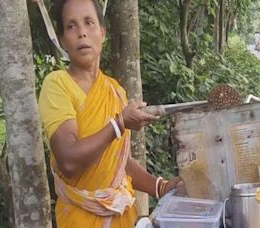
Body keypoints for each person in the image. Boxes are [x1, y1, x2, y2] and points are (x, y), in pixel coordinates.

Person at [37, 0, 186, 227]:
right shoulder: (57, 85)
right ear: (63, 39)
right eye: (71, 26)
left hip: (123, 216)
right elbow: (68, 160)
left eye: (89, 23)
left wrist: (161, 186)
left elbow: (118, 162)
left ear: (102, 33)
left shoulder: (115, 91)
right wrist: (119, 124)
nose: (82, 33)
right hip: (79, 219)